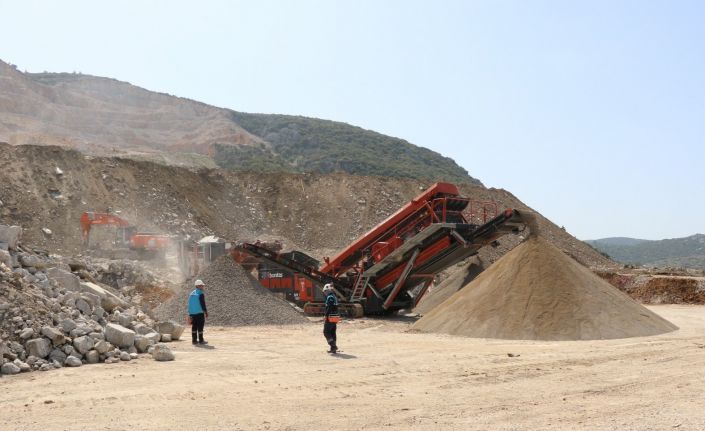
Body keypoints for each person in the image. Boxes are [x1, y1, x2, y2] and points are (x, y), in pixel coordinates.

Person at [188, 279, 209, 345]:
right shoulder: (200, 294)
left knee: (194, 326)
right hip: (199, 313)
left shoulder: (191, 293)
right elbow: (203, 304)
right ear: (198, 286)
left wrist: (189, 313)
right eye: (202, 286)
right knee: (200, 326)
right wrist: (205, 312)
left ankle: (194, 340)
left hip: (192, 313)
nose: (202, 287)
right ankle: (201, 340)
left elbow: (189, 304)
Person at [322, 283, 340, 354]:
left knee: (326, 332)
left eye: (325, 291)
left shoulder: (330, 297)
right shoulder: (334, 296)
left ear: (328, 290)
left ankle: (333, 345)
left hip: (330, 317)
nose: (325, 293)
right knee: (332, 332)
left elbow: (329, 307)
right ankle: (333, 349)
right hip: (335, 317)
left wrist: (326, 316)